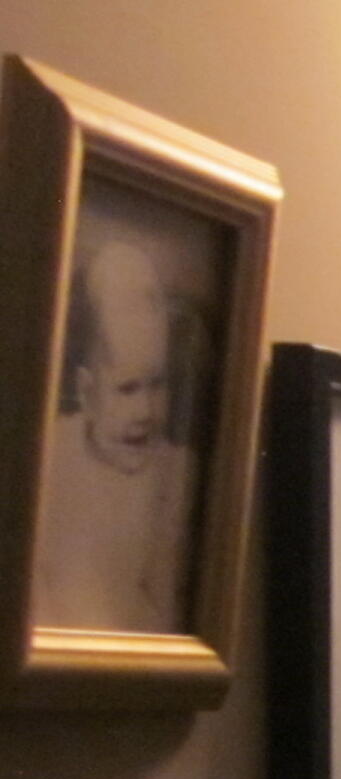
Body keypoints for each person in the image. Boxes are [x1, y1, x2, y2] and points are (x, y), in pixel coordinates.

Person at [40, 237, 196, 634]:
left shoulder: (176, 475)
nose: (145, 411)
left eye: (157, 384)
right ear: (87, 391)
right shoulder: (48, 461)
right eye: (127, 389)